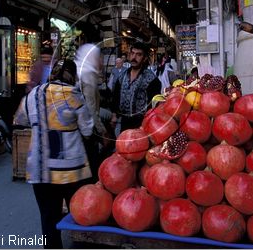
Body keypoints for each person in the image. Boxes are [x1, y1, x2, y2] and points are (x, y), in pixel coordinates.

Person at [18, 59, 94, 249]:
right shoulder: (74, 94)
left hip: (40, 170)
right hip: (71, 170)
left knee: (48, 217)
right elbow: (87, 130)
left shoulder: (32, 95)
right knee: (78, 214)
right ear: (72, 75)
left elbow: (22, 120)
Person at [75, 43, 112, 181]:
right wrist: (102, 131)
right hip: (86, 126)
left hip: (77, 124)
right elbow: (90, 108)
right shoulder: (88, 74)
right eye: (99, 58)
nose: (101, 62)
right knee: (93, 160)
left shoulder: (79, 70)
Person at [111, 41, 162, 133]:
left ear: (145, 58)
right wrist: (114, 115)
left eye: (138, 55)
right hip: (124, 123)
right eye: (132, 53)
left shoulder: (152, 80)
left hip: (142, 125)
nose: (134, 57)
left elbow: (155, 106)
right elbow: (115, 97)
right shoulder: (122, 77)